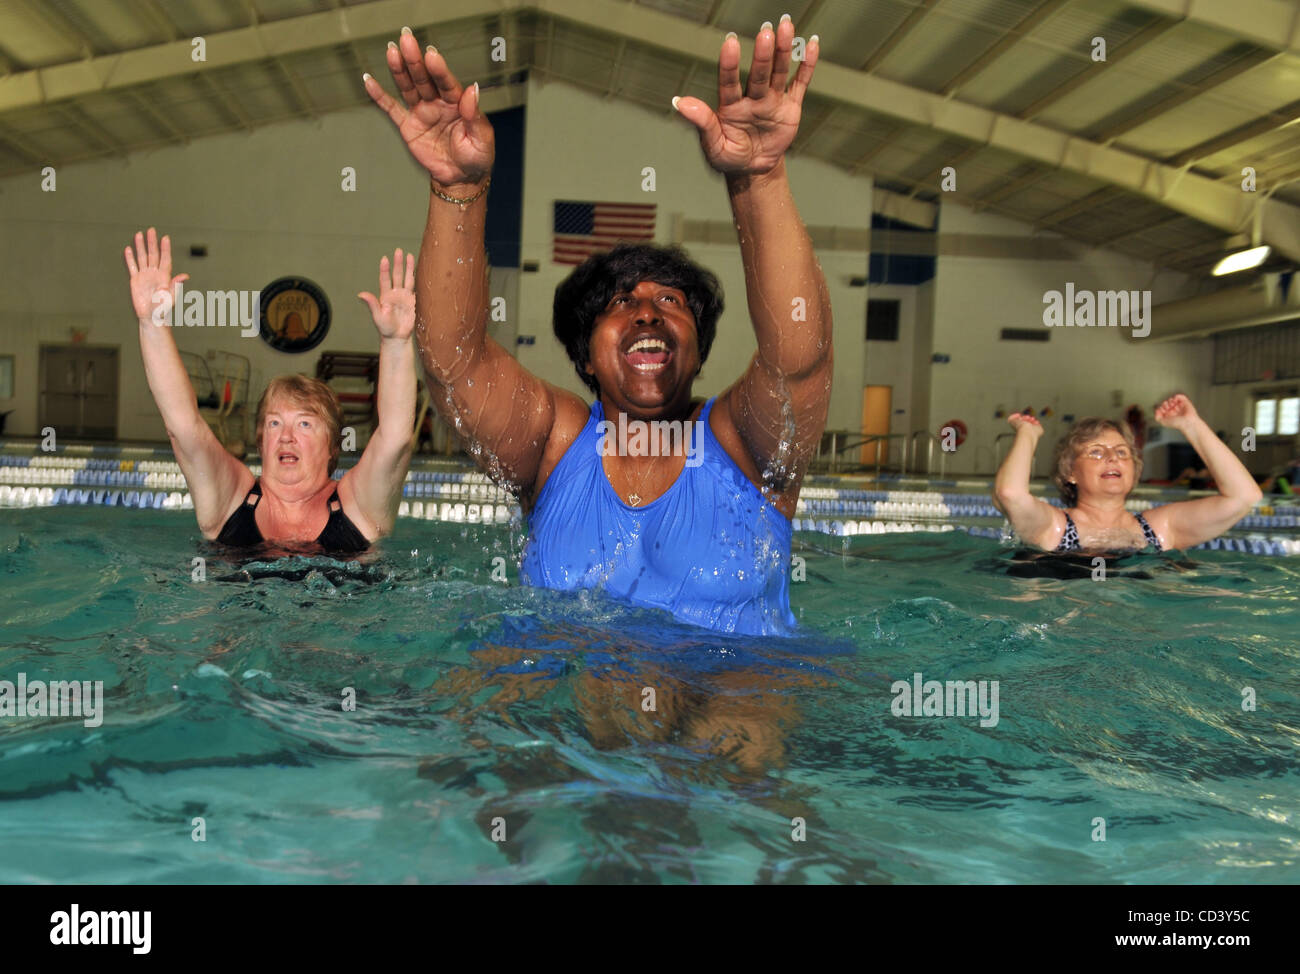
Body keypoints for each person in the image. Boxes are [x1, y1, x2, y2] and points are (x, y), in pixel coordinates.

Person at [364, 17, 832, 634]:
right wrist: (459, 187)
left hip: (731, 707)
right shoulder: (554, 445)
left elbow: (798, 355)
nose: (646, 311)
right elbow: (454, 364)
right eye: (620, 303)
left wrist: (760, 175)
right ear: (585, 356)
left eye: (671, 301)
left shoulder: (745, 445)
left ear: (698, 353)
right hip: (563, 721)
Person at [124, 228, 416, 551]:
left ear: (333, 446)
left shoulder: (358, 506)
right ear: (261, 440)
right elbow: (183, 427)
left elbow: (395, 439)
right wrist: (153, 323)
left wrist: (397, 342)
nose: (286, 436)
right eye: (275, 423)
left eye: (304, 423)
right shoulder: (231, 498)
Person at [993, 394, 1261, 552]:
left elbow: (1243, 497)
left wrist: (1192, 425)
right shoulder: (1054, 527)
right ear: (1069, 473)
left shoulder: (1160, 528)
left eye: (1122, 452)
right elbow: (1011, 493)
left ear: (1134, 472)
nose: (1112, 457)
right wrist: (1028, 434)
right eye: (1096, 452)